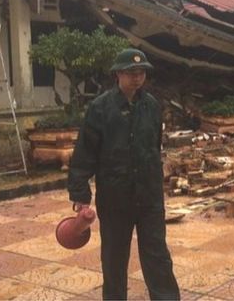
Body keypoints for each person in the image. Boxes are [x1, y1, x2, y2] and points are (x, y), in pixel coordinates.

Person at [68, 48, 180, 300]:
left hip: (149, 196)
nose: (137, 78)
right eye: (131, 72)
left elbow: (155, 146)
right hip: (115, 196)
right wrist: (80, 194)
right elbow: (84, 152)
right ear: (118, 73)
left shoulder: (151, 106)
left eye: (141, 73)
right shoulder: (100, 108)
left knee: (157, 255)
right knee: (114, 257)